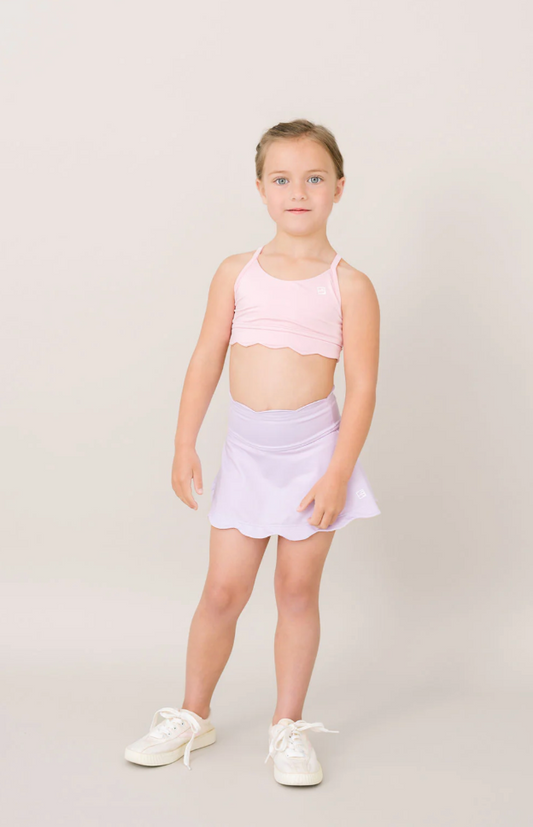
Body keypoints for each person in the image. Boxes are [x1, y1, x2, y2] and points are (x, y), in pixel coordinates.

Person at [124, 118, 381, 786]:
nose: (298, 192)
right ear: (261, 189)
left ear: (339, 187)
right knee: (222, 591)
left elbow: (361, 389)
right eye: (282, 179)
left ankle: (286, 725)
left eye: (314, 178)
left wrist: (337, 473)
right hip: (246, 455)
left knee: (296, 590)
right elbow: (206, 358)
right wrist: (183, 442)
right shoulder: (236, 273)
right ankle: (193, 713)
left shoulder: (350, 285)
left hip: (313, 458)